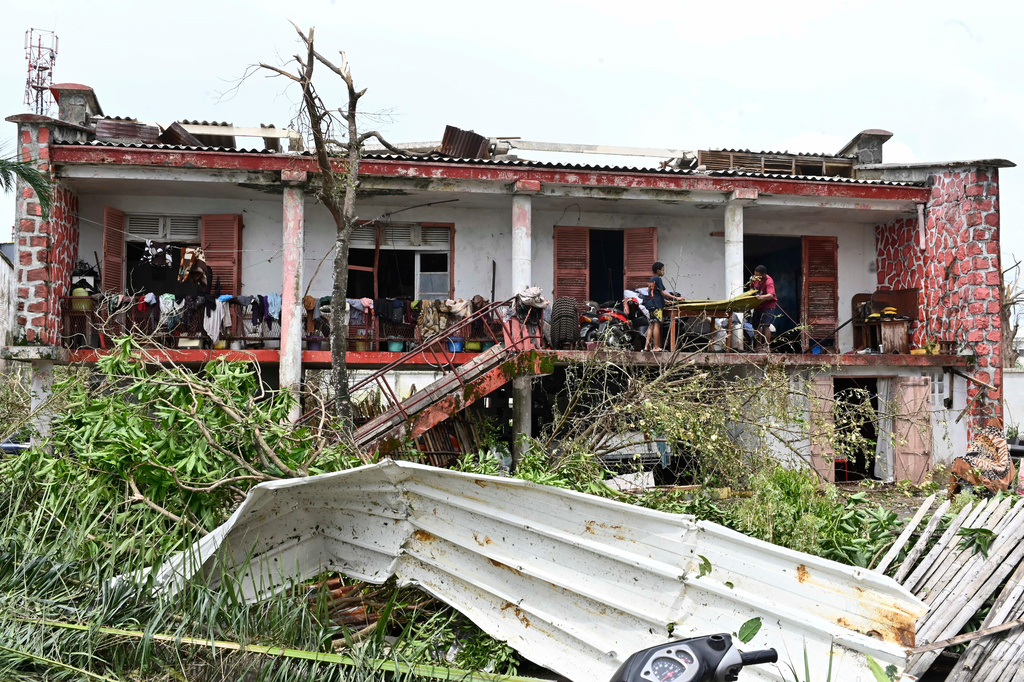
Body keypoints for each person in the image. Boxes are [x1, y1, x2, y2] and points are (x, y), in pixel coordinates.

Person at [646, 262, 683, 351]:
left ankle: (646, 347)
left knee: (651, 325)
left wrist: (665, 301)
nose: (664, 272)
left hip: (651, 304)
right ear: (658, 271)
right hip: (656, 306)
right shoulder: (658, 279)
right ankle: (656, 347)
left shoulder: (651, 280)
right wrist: (676, 298)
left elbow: (653, 294)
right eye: (663, 270)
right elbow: (662, 292)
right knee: (657, 325)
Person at [749, 265, 777, 351]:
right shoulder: (755, 278)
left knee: (765, 325)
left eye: (758, 276)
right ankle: (758, 346)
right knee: (756, 326)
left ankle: (766, 347)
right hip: (758, 305)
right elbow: (751, 287)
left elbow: (771, 295)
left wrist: (762, 297)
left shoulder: (769, 281)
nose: (756, 277)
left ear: (764, 274)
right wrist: (751, 293)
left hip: (768, 305)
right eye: (755, 275)